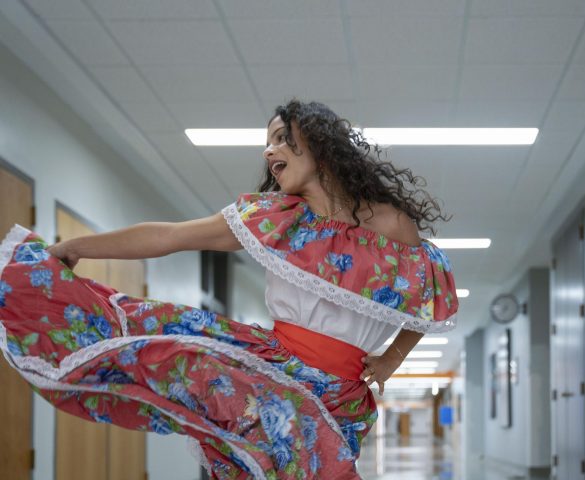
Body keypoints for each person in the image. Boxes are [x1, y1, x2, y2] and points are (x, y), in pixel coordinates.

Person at [0, 99, 458, 479]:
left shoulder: (392, 225)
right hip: (270, 370)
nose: (269, 150)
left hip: (340, 394)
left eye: (282, 137)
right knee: (168, 343)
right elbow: (170, 235)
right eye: (267, 142)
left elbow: (425, 300)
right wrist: (78, 246)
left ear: (318, 144)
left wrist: (394, 356)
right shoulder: (275, 220)